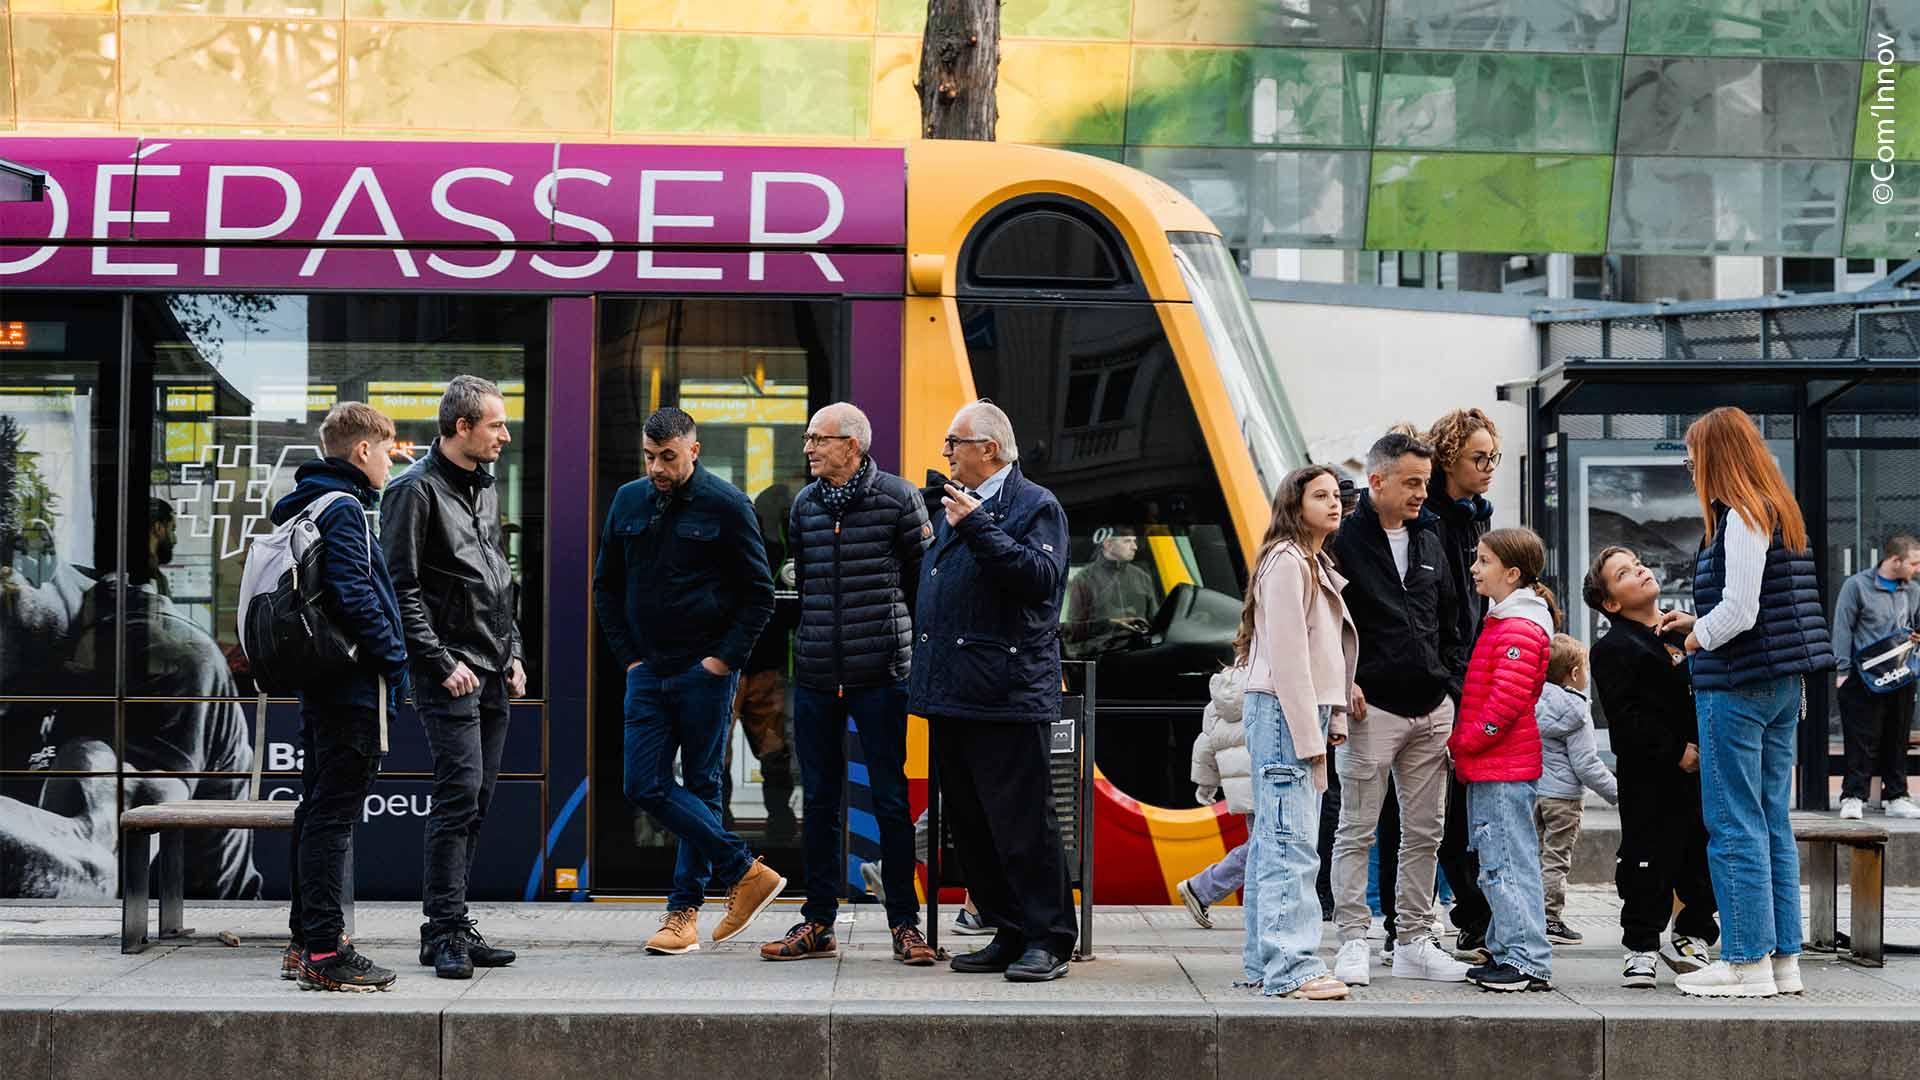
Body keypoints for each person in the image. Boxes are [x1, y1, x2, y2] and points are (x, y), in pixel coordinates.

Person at [592, 406, 784, 956]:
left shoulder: (727, 504)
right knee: (641, 783)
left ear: (692, 451)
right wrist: (629, 658)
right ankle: (745, 870)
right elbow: (606, 585)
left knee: (702, 786)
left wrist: (723, 661)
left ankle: (683, 916)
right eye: (649, 457)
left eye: (668, 457)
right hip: (647, 672)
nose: (657, 467)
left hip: (705, 673)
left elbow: (758, 593)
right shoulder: (629, 500)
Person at [1664, 406, 1835, 998]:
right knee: (1769, 824)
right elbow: (1759, 606)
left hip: (1736, 687)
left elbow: (1740, 612)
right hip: (1784, 685)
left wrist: (1692, 635)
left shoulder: (1739, 517)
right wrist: (1700, 620)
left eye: (1693, 457)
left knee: (1732, 823)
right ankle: (1782, 960)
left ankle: (1744, 962)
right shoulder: (1778, 513)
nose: (1690, 469)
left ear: (1715, 458)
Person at [759, 403, 936, 966]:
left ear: (852, 446)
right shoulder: (806, 505)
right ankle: (817, 921)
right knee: (819, 801)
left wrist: (905, 653)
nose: (808, 448)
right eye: (808, 438)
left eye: (819, 439)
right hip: (815, 675)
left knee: (888, 798)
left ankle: (905, 925)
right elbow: (806, 586)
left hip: (881, 675)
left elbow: (920, 586)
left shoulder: (899, 499)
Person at [909, 400, 1078, 982]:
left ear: (990, 448)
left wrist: (976, 525)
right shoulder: (959, 504)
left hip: (1006, 693)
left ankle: (1049, 938)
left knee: (1024, 823)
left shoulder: (1034, 505)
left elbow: (1039, 580)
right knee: (974, 826)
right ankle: (1008, 930)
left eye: (954, 442)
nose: (947, 453)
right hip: (955, 692)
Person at [380, 375, 527, 979]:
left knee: (479, 800)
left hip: (492, 669)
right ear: (461, 427)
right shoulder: (413, 492)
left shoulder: (484, 490)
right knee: (458, 794)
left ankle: (454, 922)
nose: (505, 434)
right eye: (495, 424)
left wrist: (513, 650)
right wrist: (441, 661)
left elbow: (499, 578)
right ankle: (441, 931)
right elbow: (398, 587)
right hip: (450, 674)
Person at [1328, 431, 1471, 987]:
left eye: (1426, 483)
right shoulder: (1340, 540)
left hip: (1432, 708)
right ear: (1378, 481)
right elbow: (1326, 622)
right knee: (1356, 830)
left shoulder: (1431, 538)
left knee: (1425, 832)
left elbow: (1455, 620)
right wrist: (1344, 683)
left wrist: (1451, 691)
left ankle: (1413, 939)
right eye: (1412, 483)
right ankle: (1353, 940)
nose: (1422, 493)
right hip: (1371, 711)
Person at [276, 403, 409, 992]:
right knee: (333, 816)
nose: (388, 461)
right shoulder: (346, 508)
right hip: (353, 688)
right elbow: (356, 595)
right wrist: (397, 660)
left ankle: (305, 941)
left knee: (315, 809)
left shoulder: (300, 503)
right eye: (384, 451)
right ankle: (327, 954)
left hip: (318, 682)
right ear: (361, 451)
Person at [1234, 465, 1357, 1000]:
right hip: (1287, 712)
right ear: (1295, 502)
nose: (1334, 504)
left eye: (1336, 496)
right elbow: (1289, 658)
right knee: (1290, 842)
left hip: (1292, 712)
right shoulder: (1288, 562)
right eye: (1320, 496)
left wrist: (1330, 720)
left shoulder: (1305, 560)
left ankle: (1267, 962)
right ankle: (1291, 966)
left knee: (1273, 840)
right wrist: (1313, 735)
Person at [1585, 545, 1719, 989]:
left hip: (1703, 771)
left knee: (1700, 856)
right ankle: (1640, 946)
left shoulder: (1686, 631)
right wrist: (1675, 750)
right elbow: (1625, 720)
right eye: (1624, 573)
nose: (1640, 571)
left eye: (1639, 563)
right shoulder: (1612, 648)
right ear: (1611, 602)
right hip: (1650, 776)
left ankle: (1694, 935)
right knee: (1646, 859)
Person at [1449, 527, 1556, 992]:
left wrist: (1464, 742)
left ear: (1512, 574)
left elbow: (1505, 704)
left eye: (1484, 561)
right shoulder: (1505, 620)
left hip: (1500, 765)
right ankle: (1506, 948)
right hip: (1495, 766)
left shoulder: (1519, 628)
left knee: (1506, 863)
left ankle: (1526, 959)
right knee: (1497, 859)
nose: (1475, 568)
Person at [1422, 407, 1501, 959]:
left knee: (1464, 809)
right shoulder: (1431, 519)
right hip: (1444, 679)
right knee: (1443, 815)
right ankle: (1467, 916)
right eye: (1480, 457)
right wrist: (1452, 680)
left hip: (1467, 673)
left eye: (1493, 457)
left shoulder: (1475, 517)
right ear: (1450, 458)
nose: (1489, 466)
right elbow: (1439, 609)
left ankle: (1476, 917)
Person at [1533, 633, 1617, 947]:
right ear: (1574, 674)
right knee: (1556, 859)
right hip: (1564, 798)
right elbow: (1586, 764)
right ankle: (1550, 920)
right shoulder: (1576, 711)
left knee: (1533, 856)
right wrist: (1616, 793)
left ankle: (1531, 915)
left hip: (1533, 792)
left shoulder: (1532, 701)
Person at [1831, 533, 1920, 820]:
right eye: (1914, 563)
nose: (1917, 569)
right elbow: (1843, 629)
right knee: (1860, 738)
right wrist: (1842, 671)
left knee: (1898, 735)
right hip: (1863, 676)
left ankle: (1897, 796)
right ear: (1895, 560)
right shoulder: (1856, 586)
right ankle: (1853, 796)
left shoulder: (1913, 591)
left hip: (1902, 674)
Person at [1177, 664, 1252, 929]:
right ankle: (1202, 888)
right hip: (1269, 780)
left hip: (1243, 787)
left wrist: (1206, 784)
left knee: (1263, 846)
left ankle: (1204, 890)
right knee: (1266, 848)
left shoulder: (1226, 688)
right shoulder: (1265, 683)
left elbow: (1205, 741)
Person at [1063, 525, 1160, 658]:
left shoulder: (1142, 577)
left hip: (1139, 654)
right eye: (1127, 541)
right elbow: (1074, 631)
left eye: (1135, 541)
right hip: (1101, 657)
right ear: (1108, 544)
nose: (1134, 547)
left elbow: (1156, 623)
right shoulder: (1084, 579)